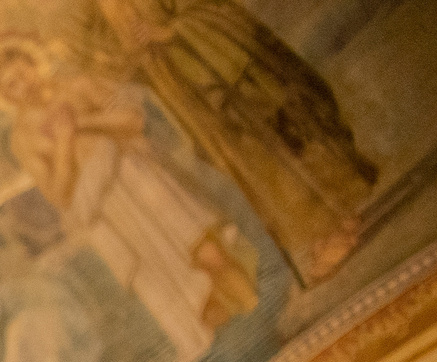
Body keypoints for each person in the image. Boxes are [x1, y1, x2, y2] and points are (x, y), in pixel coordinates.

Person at [0, 35, 255, 362]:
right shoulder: (23, 137)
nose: (19, 87)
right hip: (106, 211)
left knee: (207, 254)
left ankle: (258, 310)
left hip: (140, 179)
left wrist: (80, 122)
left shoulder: (77, 85)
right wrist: (65, 144)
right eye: (9, 86)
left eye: (21, 74)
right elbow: (60, 195)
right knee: (182, 292)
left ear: (33, 65)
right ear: (2, 96)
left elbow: (134, 120)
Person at [89, 0, 374, 284]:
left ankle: (335, 226)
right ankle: (325, 227)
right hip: (190, 87)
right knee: (256, 162)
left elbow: (208, 8)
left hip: (220, 62)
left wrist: (165, 33)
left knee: (280, 139)